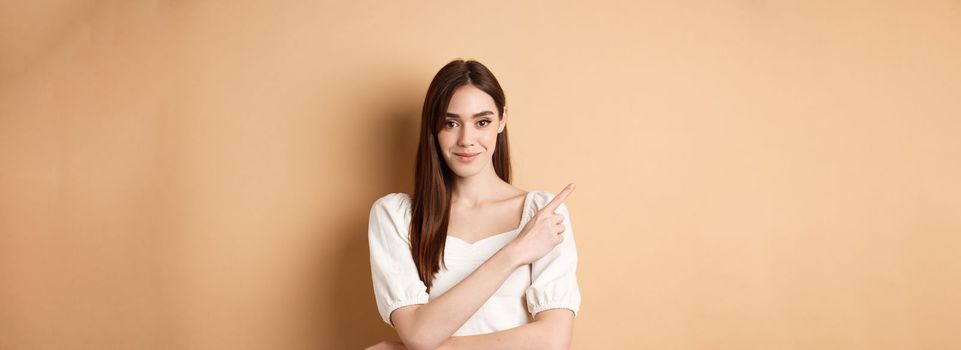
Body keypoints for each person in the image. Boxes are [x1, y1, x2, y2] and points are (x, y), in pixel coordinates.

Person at [365, 59, 581, 350]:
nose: (467, 140)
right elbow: (418, 333)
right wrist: (514, 253)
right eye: (451, 123)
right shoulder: (396, 216)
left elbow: (553, 341)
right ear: (433, 126)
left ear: (502, 120)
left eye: (482, 122)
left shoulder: (541, 214)